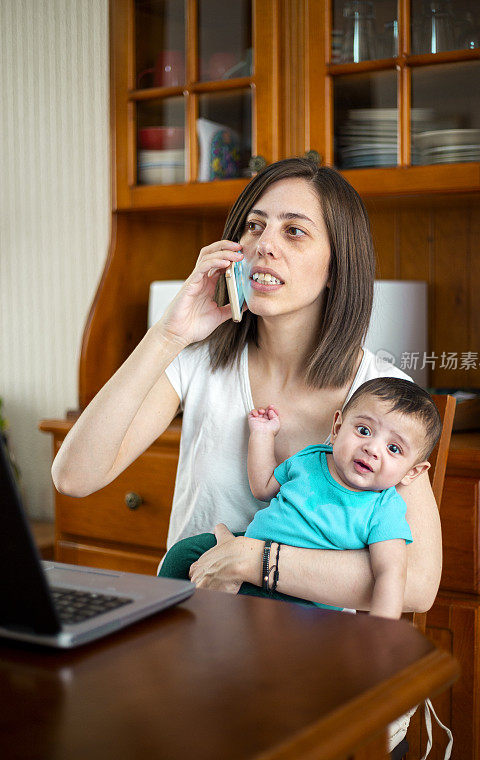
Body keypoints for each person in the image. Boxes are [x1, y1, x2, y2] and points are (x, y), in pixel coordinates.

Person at [52, 156, 442, 615]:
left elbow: (415, 585)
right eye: (254, 227)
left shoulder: (383, 400)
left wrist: (255, 560)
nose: (263, 246)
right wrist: (169, 335)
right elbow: (73, 477)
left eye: (293, 231)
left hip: (313, 653)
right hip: (195, 631)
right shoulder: (199, 361)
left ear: (337, 267)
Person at [159, 377, 442, 619]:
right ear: (337, 426)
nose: (372, 448)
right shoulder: (311, 459)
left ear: (413, 472)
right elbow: (263, 487)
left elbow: (390, 575)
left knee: (243, 624)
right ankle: (162, 638)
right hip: (249, 544)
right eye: (364, 431)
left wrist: (378, 632)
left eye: (393, 448)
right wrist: (262, 435)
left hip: (297, 595)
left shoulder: (384, 509)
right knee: (182, 555)